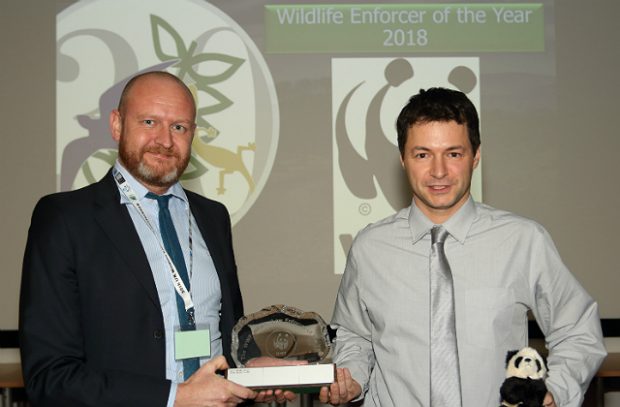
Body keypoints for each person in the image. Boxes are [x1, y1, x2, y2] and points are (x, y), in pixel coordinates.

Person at [19, 71, 293, 406]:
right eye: (149, 122)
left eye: (179, 127)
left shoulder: (213, 217)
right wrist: (174, 397)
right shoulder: (65, 219)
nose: (164, 140)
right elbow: (49, 377)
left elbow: (223, 342)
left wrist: (251, 369)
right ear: (117, 125)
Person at [319, 87, 607, 407]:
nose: (439, 171)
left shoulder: (523, 240)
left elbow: (578, 330)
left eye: (453, 154)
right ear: (403, 158)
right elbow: (354, 336)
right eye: (422, 154)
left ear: (476, 156)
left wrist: (557, 388)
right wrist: (351, 379)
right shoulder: (370, 247)